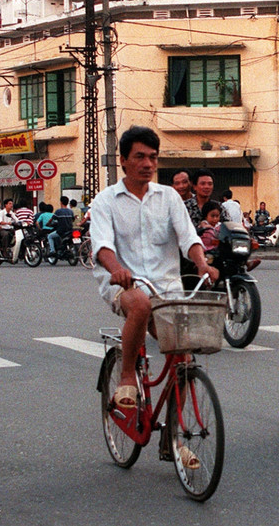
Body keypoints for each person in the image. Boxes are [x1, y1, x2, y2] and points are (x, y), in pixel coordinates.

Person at [89, 125, 218, 472]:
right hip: (124, 284)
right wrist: (116, 269)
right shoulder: (105, 201)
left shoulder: (169, 197)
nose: (147, 164)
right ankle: (128, 375)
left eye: (153, 157)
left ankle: (173, 440)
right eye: (140, 157)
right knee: (140, 305)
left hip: (166, 287)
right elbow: (102, 246)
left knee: (182, 357)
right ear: (125, 161)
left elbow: (187, 237)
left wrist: (202, 262)